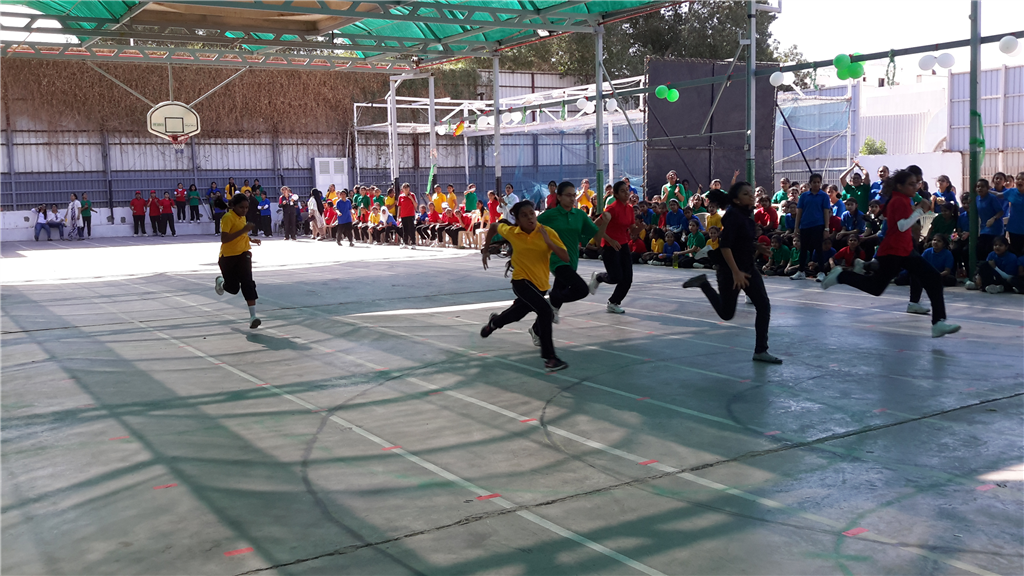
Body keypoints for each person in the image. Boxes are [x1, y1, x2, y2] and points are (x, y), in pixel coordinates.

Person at [821, 169, 961, 338]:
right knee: (875, 288)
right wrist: (920, 211)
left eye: (916, 183)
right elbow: (902, 226)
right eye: (911, 184)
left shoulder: (903, 199)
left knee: (933, 278)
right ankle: (842, 276)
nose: (915, 186)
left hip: (905, 250)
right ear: (900, 186)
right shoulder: (898, 201)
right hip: (892, 252)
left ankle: (938, 322)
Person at [682, 184, 781, 364]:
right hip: (729, 271)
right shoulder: (733, 216)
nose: (751, 196)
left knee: (763, 306)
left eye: (751, 193)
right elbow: (725, 246)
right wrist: (735, 272)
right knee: (726, 314)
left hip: (748, 268)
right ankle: (703, 283)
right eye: (746, 194)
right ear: (736, 200)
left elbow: (739, 241)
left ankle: (761, 350)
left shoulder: (745, 216)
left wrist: (756, 246)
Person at [480, 200, 571, 371]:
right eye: (524, 215)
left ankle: (494, 323)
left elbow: (566, 257)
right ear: (518, 220)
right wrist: (485, 249)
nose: (530, 218)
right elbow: (493, 227)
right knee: (546, 311)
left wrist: (549, 243)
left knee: (517, 313)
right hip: (521, 282)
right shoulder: (512, 232)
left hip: (541, 286)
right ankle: (550, 358)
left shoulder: (546, 232)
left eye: (531, 213)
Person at [536, 181, 607, 324]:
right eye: (568, 195)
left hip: (571, 260)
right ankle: (551, 300)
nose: (572, 198)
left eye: (574, 195)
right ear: (559, 197)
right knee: (581, 290)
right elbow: (530, 227)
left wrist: (604, 222)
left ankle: (537, 329)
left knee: (556, 302)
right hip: (556, 260)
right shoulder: (550, 215)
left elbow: (597, 237)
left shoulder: (579, 215)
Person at [214, 194, 262, 329]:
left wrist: (250, 239)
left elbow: (242, 234)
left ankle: (253, 316)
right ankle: (221, 283)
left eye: (246, 208)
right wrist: (244, 230)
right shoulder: (227, 217)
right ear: (233, 206)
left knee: (248, 283)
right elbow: (225, 238)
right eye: (241, 207)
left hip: (243, 254)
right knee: (233, 288)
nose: (244, 210)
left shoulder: (242, 217)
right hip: (228, 257)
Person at [587, 180, 634, 314]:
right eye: (622, 191)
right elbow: (595, 225)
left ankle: (614, 302)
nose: (626, 193)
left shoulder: (630, 209)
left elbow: (631, 228)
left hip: (623, 244)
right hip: (609, 246)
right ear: (616, 195)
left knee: (627, 278)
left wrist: (639, 228)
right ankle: (599, 277)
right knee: (616, 277)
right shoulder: (612, 208)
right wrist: (610, 240)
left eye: (627, 190)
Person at [790, 173, 831, 280]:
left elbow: (826, 212)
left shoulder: (824, 196)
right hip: (805, 225)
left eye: (818, 182)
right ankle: (801, 271)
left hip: (818, 225)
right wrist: (796, 227)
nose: (816, 184)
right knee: (803, 248)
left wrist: (826, 228)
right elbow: (799, 212)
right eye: (814, 182)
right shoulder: (804, 196)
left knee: (819, 248)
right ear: (810, 183)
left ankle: (821, 272)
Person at [991, 171, 1024, 255]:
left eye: (1023, 179)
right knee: (1016, 252)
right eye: (1018, 179)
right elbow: (999, 195)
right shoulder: (1011, 192)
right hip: (1014, 229)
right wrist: (987, 191)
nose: (1020, 181)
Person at [972, 178, 1004, 261]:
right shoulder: (977, 199)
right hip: (984, 228)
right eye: (978, 186)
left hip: (995, 229)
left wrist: (993, 218)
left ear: (987, 188)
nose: (980, 188)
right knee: (980, 249)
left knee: (990, 250)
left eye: (982, 187)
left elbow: (1001, 212)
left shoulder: (992, 198)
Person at [398, 182, 417, 248]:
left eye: (407, 187)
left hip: (410, 214)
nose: (406, 189)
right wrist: (398, 215)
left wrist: (411, 198)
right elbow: (399, 206)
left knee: (411, 229)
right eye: (404, 187)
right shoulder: (400, 196)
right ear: (402, 189)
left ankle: (413, 243)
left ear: (409, 188)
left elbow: (415, 205)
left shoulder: (412, 195)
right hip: (403, 215)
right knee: (405, 229)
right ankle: (405, 243)